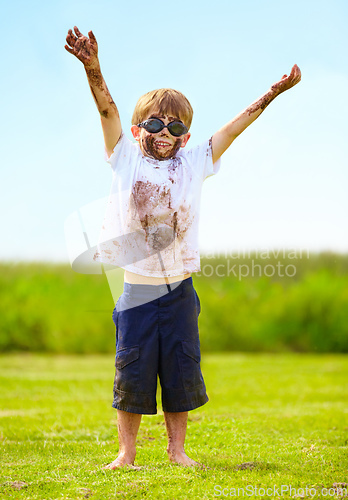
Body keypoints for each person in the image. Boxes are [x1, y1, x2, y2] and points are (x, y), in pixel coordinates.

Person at [65, 26, 301, 469]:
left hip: (179, 292)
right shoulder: (124, 154)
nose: (164, 132)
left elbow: (233, 129)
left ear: (186, 136)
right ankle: (126, 454)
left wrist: (271, 94)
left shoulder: (195, 162)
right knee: (131, 373)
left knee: (180, 371)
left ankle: (177, 453)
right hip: (136, 291)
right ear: (138, 129)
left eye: (174, 126)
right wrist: (93, 69)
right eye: (154, 123)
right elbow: (106, 109)